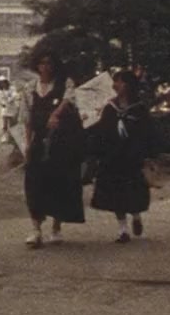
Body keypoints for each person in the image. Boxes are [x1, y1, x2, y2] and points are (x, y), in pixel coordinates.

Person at [20, 49, 85, 247]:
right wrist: (27, 144)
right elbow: (27, 118)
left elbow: (68, 101)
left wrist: (56, 114)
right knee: (34, 184)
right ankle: (36, 229)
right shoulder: (29, 88)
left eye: (49, 63)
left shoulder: (65, 84)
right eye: (42, 63)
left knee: (59, 183)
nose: (45, 67)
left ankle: (56, 227)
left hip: (61, 143)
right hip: (39, 142)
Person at [87, 70, 154, 243]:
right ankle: (123, 229)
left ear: (129, 85)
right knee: (115, 192)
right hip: (113, 156)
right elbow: (102, 130)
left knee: (133, 190)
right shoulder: (110, 107)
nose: (116, 85)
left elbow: (147, 132)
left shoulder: (139, 108)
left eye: (120, 81)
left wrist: (145, 155)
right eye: (115, 81)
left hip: (132, 155)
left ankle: (136, 216)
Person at [0, 76, 16, 143]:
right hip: (4, 109)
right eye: (1, 83)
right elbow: (0, 99)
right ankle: (4, 136)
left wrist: (9, 99)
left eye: (4, 82)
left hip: (12, 108)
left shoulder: (12, 88)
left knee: (12, 124)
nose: (3, 84)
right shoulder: (0, 91)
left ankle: (11, 137)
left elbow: (14, 95)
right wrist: (2, 103)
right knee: (4, 124)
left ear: (6, 82)